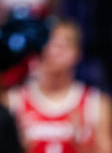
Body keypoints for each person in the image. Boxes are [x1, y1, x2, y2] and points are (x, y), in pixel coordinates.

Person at [6, 20, 112, 153]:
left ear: (77, 53)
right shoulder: (14, 101)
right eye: (47, 45)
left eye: (61, 46)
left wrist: (86, 148)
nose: (53, 52)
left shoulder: (96, 103)